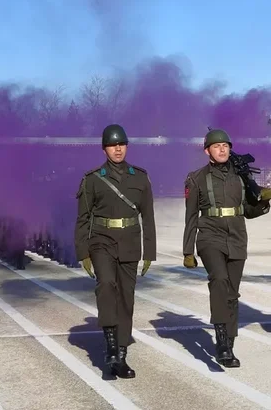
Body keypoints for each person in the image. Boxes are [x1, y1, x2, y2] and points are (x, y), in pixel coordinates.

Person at [182, 128, 271, 368]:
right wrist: (188, 251)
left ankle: (229, 343)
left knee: (232, 293)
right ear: (207, 151)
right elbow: (191, 216)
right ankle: (221, 342)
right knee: (220, 280)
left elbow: (248, 211)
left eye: (225, 146)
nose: (222, 149)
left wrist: (264, 203)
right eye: (217, 146)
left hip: (236, 237)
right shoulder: (197, 178)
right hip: (210, 236)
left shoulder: (240, 176)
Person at [75, 124, 156, 379]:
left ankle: (120, 356)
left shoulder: (140, 177)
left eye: (121, 144)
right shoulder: (92, 179)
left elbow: (148, 217)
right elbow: (83, 218)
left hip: (130, 242)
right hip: (102, 240)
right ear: (104, 149)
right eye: (112, 145)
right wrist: (83, 252)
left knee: (126, 299)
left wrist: (149, 252)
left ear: (127, 147)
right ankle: (110, 345)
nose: (117, 149)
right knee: (107, 285)